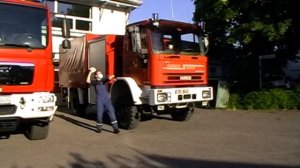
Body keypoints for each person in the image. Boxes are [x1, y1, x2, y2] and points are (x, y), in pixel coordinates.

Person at [86, 67, 119, 134]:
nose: (100, 74)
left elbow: (109, 78)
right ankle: (99, 128)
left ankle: (115, 128)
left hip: (107, 99)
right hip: (99, 100)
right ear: (95, 75)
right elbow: (87, 81)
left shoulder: (103, 80)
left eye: (100, 73)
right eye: (98, 73)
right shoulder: (95, 82)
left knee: (111, 112)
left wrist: (112, 76)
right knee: (99, 114)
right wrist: (90, 72)